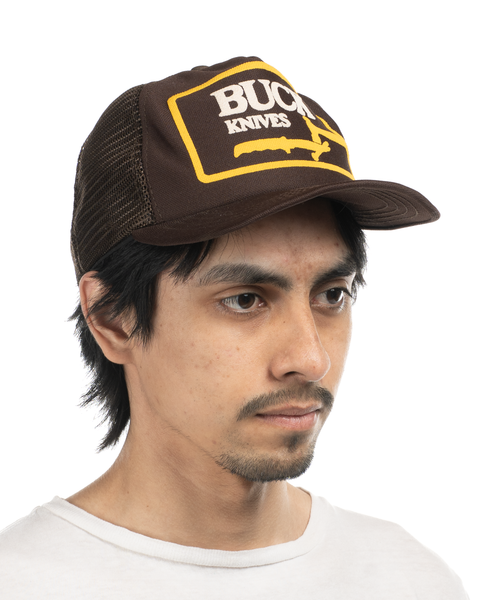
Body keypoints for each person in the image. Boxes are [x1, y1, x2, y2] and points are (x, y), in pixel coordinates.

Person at [0, 56, 469, 598]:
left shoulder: (410, 580)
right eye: (245, 300)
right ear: (112, 318)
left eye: (331, 295)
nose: (310, 359)